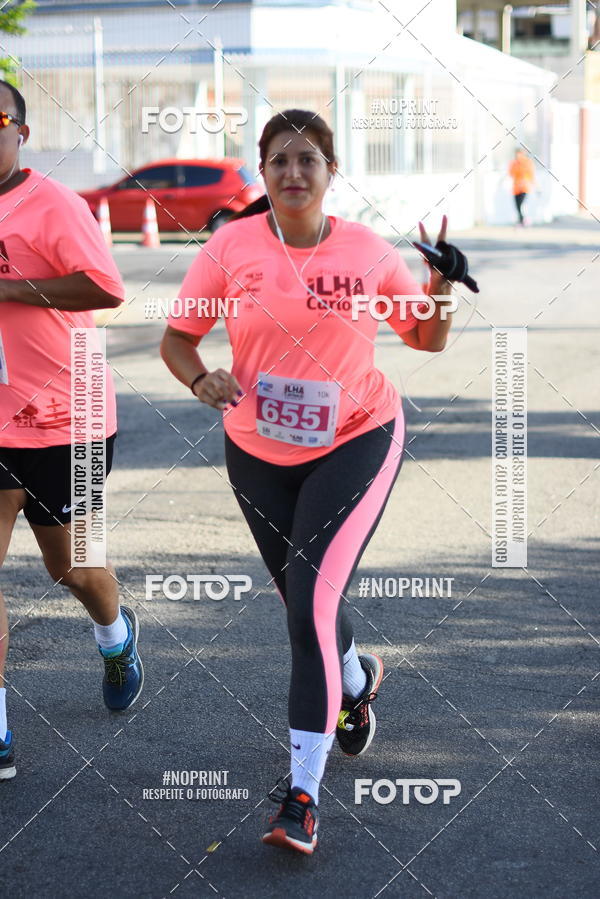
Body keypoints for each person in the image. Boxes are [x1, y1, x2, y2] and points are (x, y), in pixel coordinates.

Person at [160, 109, 455, 855]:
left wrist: (441, 288)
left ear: (331, 171)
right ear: (263, 172)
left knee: (306, 612)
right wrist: (202, 377)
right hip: (257, 448)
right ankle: (354, 679)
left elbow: (422, 334)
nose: (295, 172)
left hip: (357, 438)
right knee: (303, 596)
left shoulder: (364, 251)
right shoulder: (229, 248)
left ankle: (301, 796)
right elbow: (178, 339)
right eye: (280, 160)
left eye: (310, 159)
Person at [0, 81, 143, 781]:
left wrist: (9, 289)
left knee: (73, 569)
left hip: (71, 417)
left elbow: (107, 287)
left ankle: (115, 638)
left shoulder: (52, 204)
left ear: (21, 132)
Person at [508, 148, 535, 226]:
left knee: (521, 205)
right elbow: (511, 173)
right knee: (517, 206)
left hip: (524, 188)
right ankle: (522, 221)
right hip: (516, 188)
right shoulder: (514, 163)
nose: (518, 155)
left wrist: (535, 186)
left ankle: (524, 220)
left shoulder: (528, 163)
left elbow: (531, 175)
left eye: (520, 154)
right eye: (517, 154)